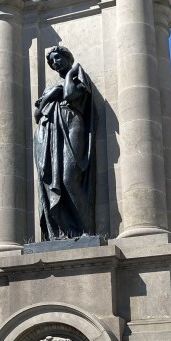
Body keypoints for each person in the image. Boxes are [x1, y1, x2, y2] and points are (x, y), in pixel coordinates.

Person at [34, 46, 96, 240]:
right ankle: (62, 231)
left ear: (68, 58)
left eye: (58, 58)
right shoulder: (50, 89)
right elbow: (37, 115)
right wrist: (50, 97)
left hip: (72, 124)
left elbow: (70, 95)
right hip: (48, 132)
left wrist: (70, 74)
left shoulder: (79, 80)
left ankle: (86, 230)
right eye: (52, 61)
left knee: (70, 178)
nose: (55, 62)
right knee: (52, 179)